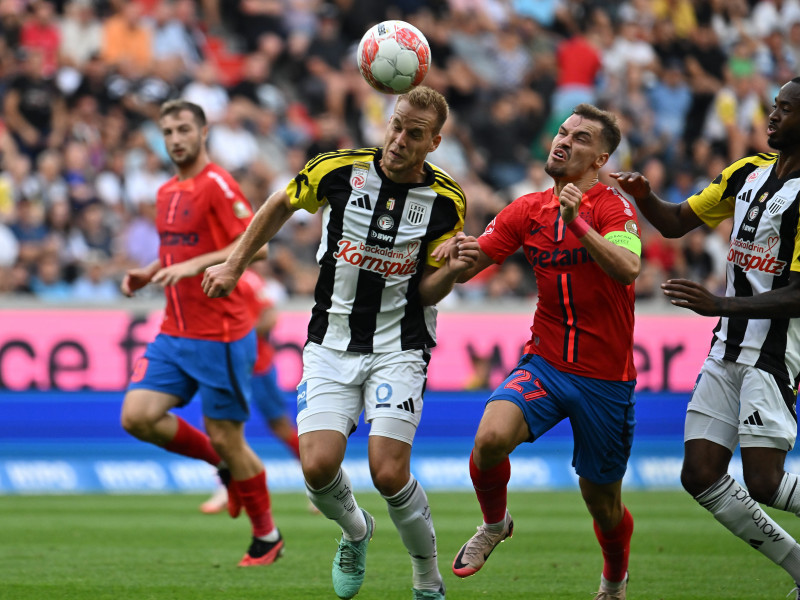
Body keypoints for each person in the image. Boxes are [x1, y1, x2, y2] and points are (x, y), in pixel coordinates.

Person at [203, 86, 476, 600]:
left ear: (434, 142)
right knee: (317, 467)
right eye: (396, 125)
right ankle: (356, 531)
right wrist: (235, 263)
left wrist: (455, 272)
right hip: (329, 343)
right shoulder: (337, 169)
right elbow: (279, 203)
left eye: (414, 134)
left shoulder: (446, 201)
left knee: (388, 471)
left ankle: (427, 579)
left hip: (400, 346)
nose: (398, 139)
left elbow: (428, 287)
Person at [438, 104, 642, 600]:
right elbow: (471, 266)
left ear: (601, 158)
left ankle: (614, 580)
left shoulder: (612, 207)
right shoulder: (526, 209)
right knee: (489, 438)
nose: (563, 140)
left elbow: (628, 268)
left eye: (580, 137)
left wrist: (578, 225)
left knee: (602, 502)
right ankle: (494, 524)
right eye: (562, 131)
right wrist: (453, 253)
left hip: (605, 379)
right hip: (546, 363)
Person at [611, 77, 800, 597]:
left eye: (786, 109)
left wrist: (721, 303)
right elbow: (675, 223)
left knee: (764, 481)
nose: (773, 116)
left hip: (774, 352)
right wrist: (646, 197)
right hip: (726, 348)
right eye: (775, 106)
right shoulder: (746, 173)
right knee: (699, 473)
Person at [119, 99, 282, 568]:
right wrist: (149, 272)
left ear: (204, 131)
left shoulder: (217, 184)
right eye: (167, 131)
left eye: (184, 129)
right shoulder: (167, 190)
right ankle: (223, 466)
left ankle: (266, 536)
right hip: (174, 329)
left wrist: (194, 265)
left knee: (231, 436)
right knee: (137, 417)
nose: (175, 139)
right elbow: (180, 250)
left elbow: (261, 246)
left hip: (222, 335)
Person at [199, 265, 302, 515]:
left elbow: (270, 317)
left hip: (256, 365)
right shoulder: (208, 275)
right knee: (220, 427)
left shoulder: (249, 279)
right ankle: (225, 487)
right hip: (222, 366)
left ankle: (320, 482)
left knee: (280, 426)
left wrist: (240, 334)